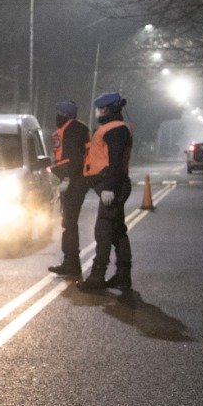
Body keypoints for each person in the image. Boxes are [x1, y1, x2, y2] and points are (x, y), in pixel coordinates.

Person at [77, 92, 134, 292]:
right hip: (111, 184)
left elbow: (115, 161)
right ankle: (123, 276)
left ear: (107, 109)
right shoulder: (111, 128)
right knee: (117, 231)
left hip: (113, 185)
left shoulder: (115, 130)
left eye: (99, 109)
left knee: (103, 231)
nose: (96, 112)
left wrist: (109, 187)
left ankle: (97, 276)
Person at [47, 100, 91, 277]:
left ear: (66, 115)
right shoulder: (75, 129)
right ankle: (70, 262)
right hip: (73, 181)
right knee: (68, 223)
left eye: (60, 113)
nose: (57, 116)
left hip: (74, 181)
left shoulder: (73, 131)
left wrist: (67, 178)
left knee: (69, 223)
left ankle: (71, 264)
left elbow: (73, 158)